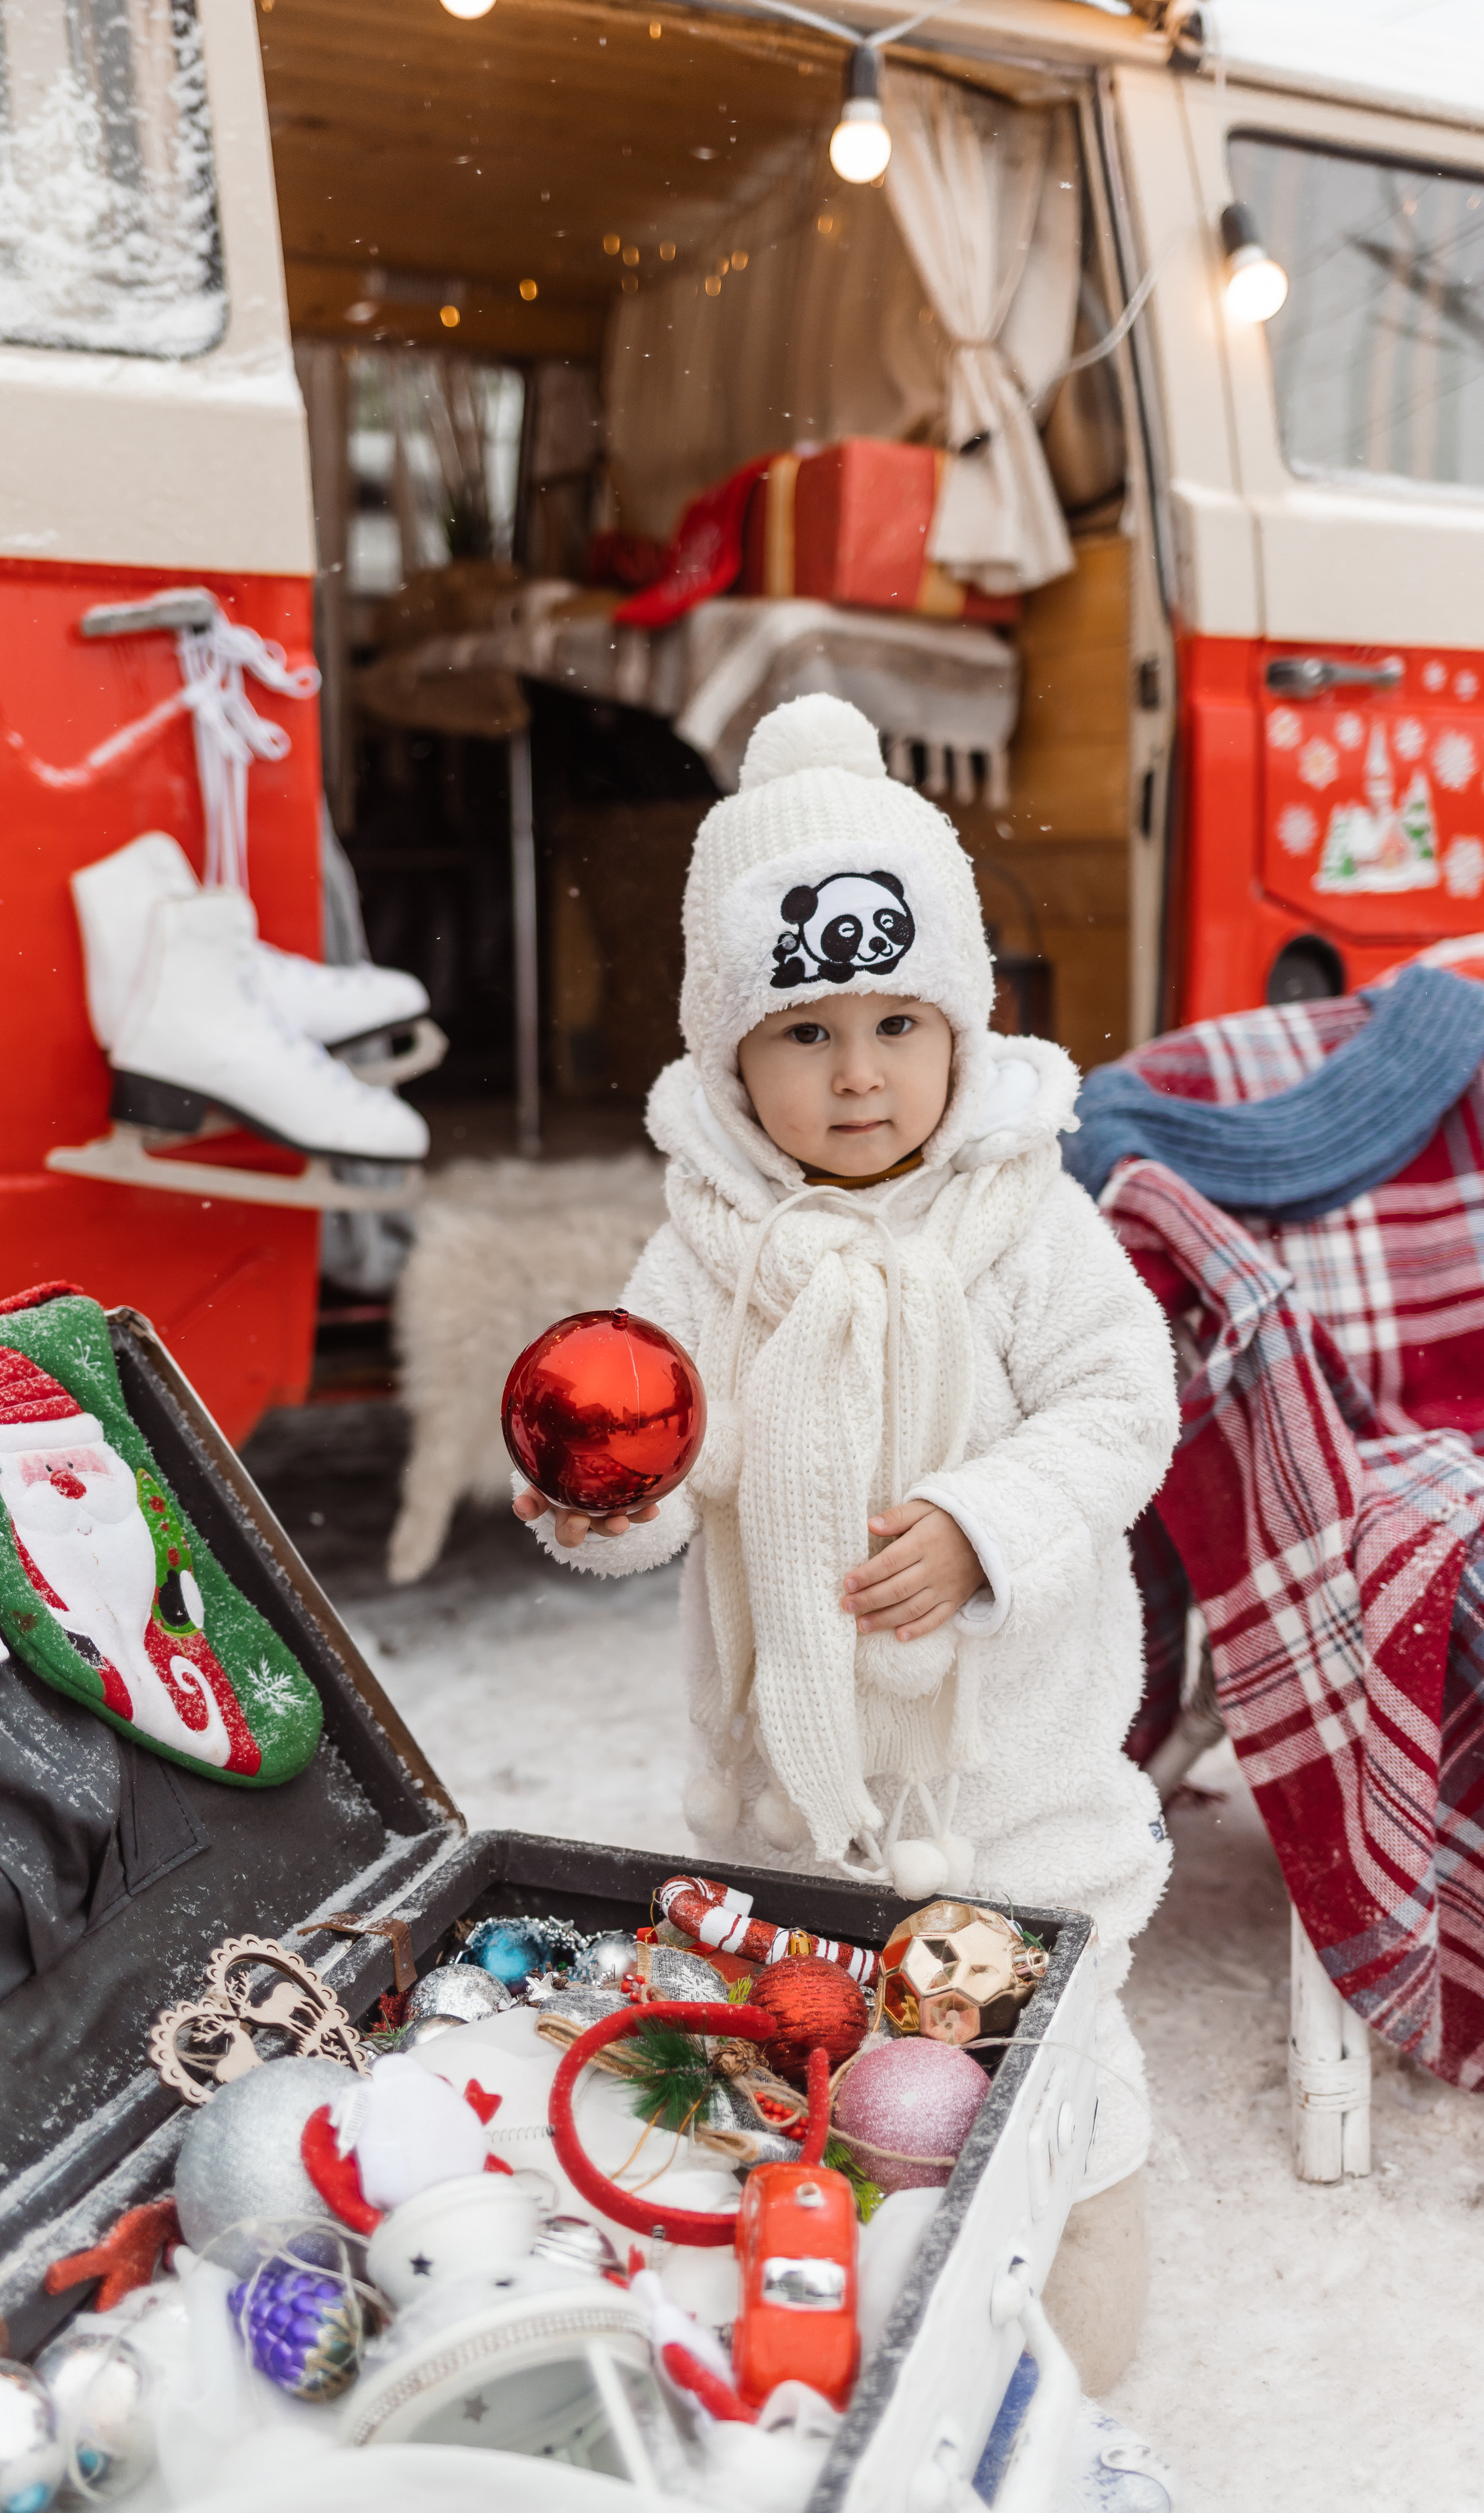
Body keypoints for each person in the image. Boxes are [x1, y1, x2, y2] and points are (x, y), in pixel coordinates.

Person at [512, 693, 1178, 2387]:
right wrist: (612, 1501)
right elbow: (667, 1452)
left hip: (1015, 1800)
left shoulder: (1028, 1216)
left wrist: (983, 1521)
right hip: (793, 1821)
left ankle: (1076, 2407)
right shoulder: (709, 1252)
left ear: (972, 1019)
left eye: (901, 1019)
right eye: (804, 1033)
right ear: (727, 1053)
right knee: (824, 2120)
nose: (862, 1071)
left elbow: (1120, 1405)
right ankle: (868, 2390)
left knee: (1065, 2121)